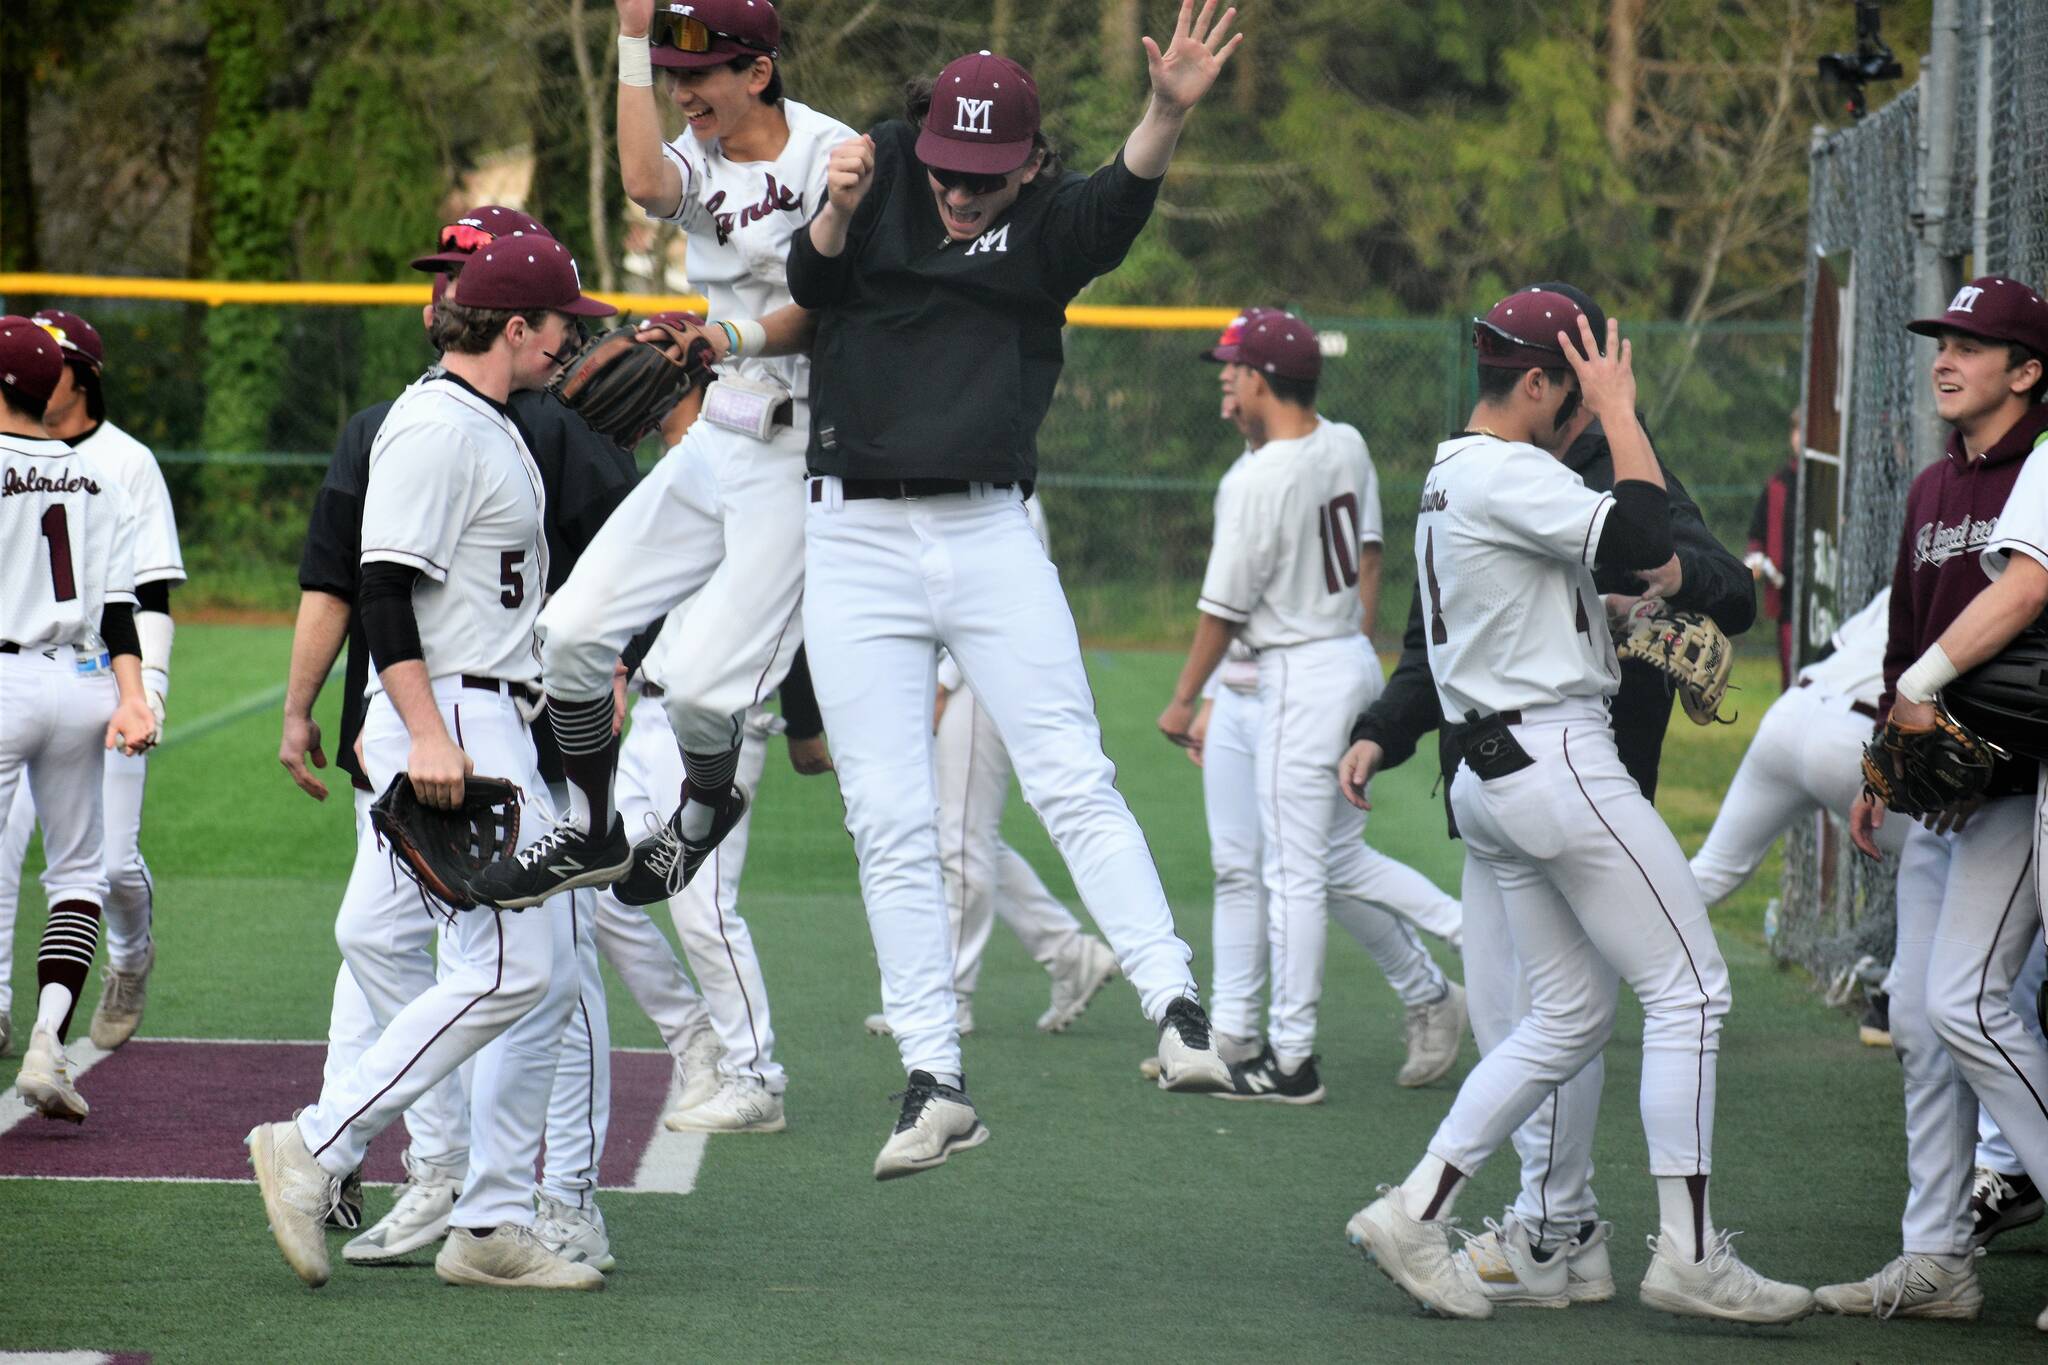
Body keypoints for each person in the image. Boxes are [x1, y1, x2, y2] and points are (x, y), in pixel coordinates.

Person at [786, 4, 1246, 1177]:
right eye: (947, 163)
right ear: (919, 139)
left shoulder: (1046, 222)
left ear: (1031, 162)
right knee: (886, 819)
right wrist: (835, 205)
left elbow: (1122, 194)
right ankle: (934, 1080)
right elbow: (809, 285)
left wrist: (1161, 112)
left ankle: (1176, 1009)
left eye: (987, 174)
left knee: (1068, 774)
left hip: (989, 528)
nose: (960, 190)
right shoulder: (878, 172)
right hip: (851, 539)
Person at [1341, 297, 1811, 1324]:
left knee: (1567, 1017)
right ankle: (1687, 1255)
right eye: (1577, 391)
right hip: (1554, 759)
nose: (1585, 420)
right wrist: (1622, 407)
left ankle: (1417, 1210)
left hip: (1490, 773)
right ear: (1544, 383)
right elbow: (1639, 523)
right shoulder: (1512, 469)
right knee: (1690, 990)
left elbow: (1523, 599)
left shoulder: (1446, 473)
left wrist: (1601, 615)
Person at [247, 238, 619, 1293]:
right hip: (452, 712)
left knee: (448, 952)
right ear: (514, 329)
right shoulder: (432, 428)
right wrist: (423, 731)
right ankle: (316, 1147)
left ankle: (488, 1219)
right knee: (516, 969)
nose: (570, 338)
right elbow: (380, 590)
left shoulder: (488, 425)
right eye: (559, 323)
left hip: (486, 707)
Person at [469, 0, 857, 911]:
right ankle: (595, 828)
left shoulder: (827, 154)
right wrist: (632, 36)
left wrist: (725, 333)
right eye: (674, 75)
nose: (684, 91)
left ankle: (701, 812)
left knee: (698, 696)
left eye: (702, 74)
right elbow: (645, 182)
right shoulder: (703, 154)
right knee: (566, 633)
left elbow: (828, 299)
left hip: (800, 442)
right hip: (719, 427)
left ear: (757, 73)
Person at [1157, 308, 1465, 1103]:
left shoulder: (1257, 479)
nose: (1225, 377)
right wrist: (1353, 652)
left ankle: (1291, 1059)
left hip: (1296, 671)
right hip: (1334, 660)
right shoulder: (1347, 442)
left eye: (1234, 366)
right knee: (1320, 861)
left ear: (1261, 378)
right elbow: (1369, 555)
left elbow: (1223, 612)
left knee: (1297, 872)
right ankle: (1246, 1034)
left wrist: (1184, 696)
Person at [1828, 274, 2048, 1327]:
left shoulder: (2036, 473)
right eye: (1938, 341)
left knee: (1967, 1005)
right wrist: (1881, 760)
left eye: (1969, 344)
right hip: (1930, 786)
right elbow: (1905, 640)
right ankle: (1935, 1258)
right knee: (1919, 1020)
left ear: (2026, 371)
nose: (1943, 359)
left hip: (2007, 787)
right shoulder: (1929, 489)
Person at [858, 498, 1123, 1042]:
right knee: (966, 835)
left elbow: (998, 601)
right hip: (969, 672)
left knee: (959, 843)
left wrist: (944, 681)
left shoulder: (1010, 490)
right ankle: (1069, 955)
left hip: (979, 677)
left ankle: (947, 1000)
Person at [0, 310, 182, 1058]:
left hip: (20, 676)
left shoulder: (126, 460)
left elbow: (152, 595)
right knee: (71, 869)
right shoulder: (98, 477)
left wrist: (149, 694)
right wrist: (132, 691)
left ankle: (129, 959)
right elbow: (116, 606)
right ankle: (44, 1032)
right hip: (86, 680)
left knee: (106, 864)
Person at [1687, 587, 1904, 905]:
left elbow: (1828, 651)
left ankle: (1604, 934)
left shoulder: (1912, 573)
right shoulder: (1981, 591)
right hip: (1855, 738)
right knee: (1942, 851)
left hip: (1792, 711)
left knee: (1712, 871)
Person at [1746, 415, 1799, 686]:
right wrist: (1756, 560)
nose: (1800, 437)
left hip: (1821, 589)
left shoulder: (1831, 481)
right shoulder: (1777, 484)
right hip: (1787, 590)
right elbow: (1757, 535)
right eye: (1797, 430)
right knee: (1790, 668)